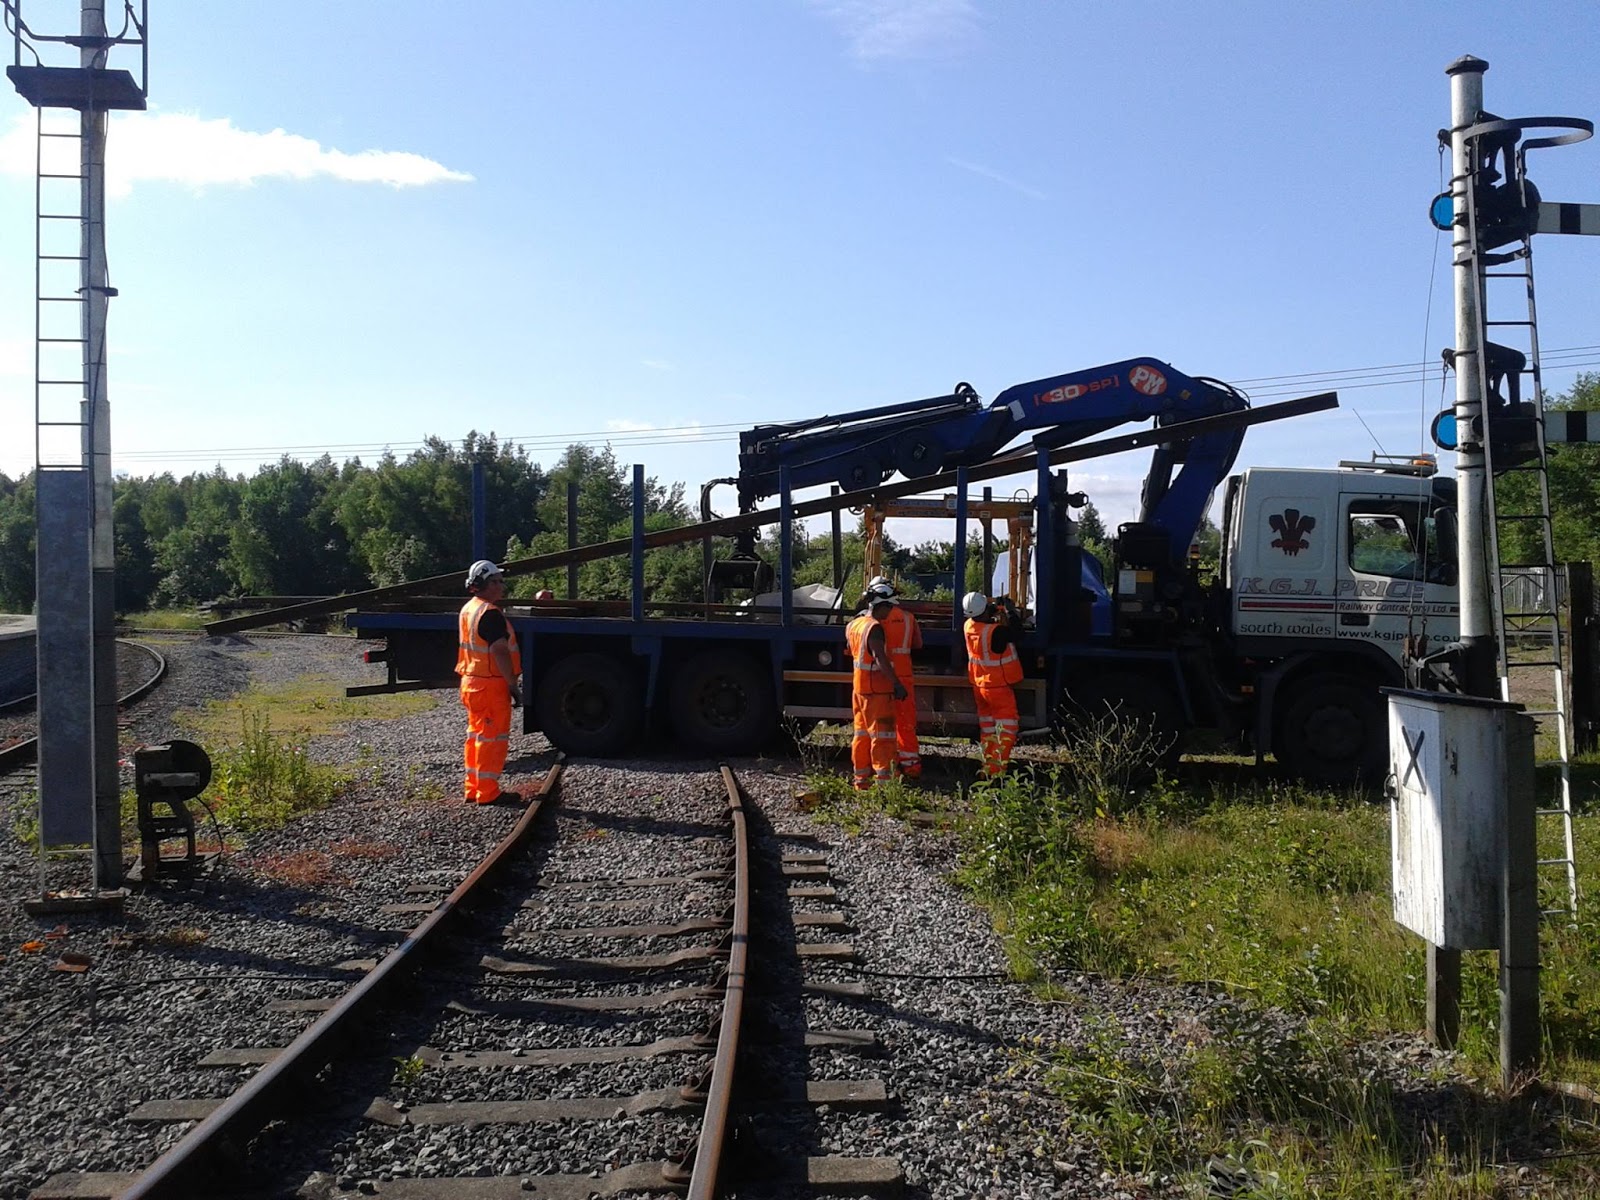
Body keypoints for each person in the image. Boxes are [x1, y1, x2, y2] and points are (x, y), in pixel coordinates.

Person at [457, 560, 523, 805]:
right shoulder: (490, 613)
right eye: (498, 581)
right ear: (487, 583)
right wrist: (512, 684)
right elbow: (499, 649)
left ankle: (473, 788)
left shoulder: (469, 609)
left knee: (476, 737)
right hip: (490, 685)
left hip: (471, 682)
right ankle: (488, 792)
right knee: (492, 739)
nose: (502, 586)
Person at [844, 591, 908, 790]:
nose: (891, 612)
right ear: (881, 606)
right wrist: (897, 684)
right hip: (877, 691)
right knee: (883, 737)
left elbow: (850, 650)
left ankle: (861, 780)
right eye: (889, 607)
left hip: (860, 689)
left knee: (862, 735)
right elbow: (880, 659)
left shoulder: (854, 624)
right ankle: (885, 783)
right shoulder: (875, 628)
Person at [962, 591, 1024, 776]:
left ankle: (987, 766)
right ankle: (996, 770)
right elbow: (1017, 634)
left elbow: (984, 619)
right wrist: (1011, 611)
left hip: (979, 686)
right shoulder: (995, 632)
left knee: (988, 728)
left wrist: (994, 609)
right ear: (983, 611)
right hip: (997, 686)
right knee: (1007, 727)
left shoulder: (968, 625)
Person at [867, 576, 923, 779]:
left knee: (883, 725)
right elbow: (918, 644)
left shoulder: (871, 620)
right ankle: (911, 766)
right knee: (906, 722)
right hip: (904, 675)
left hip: (882, 678)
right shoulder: (908, 618)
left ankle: (887, 765)